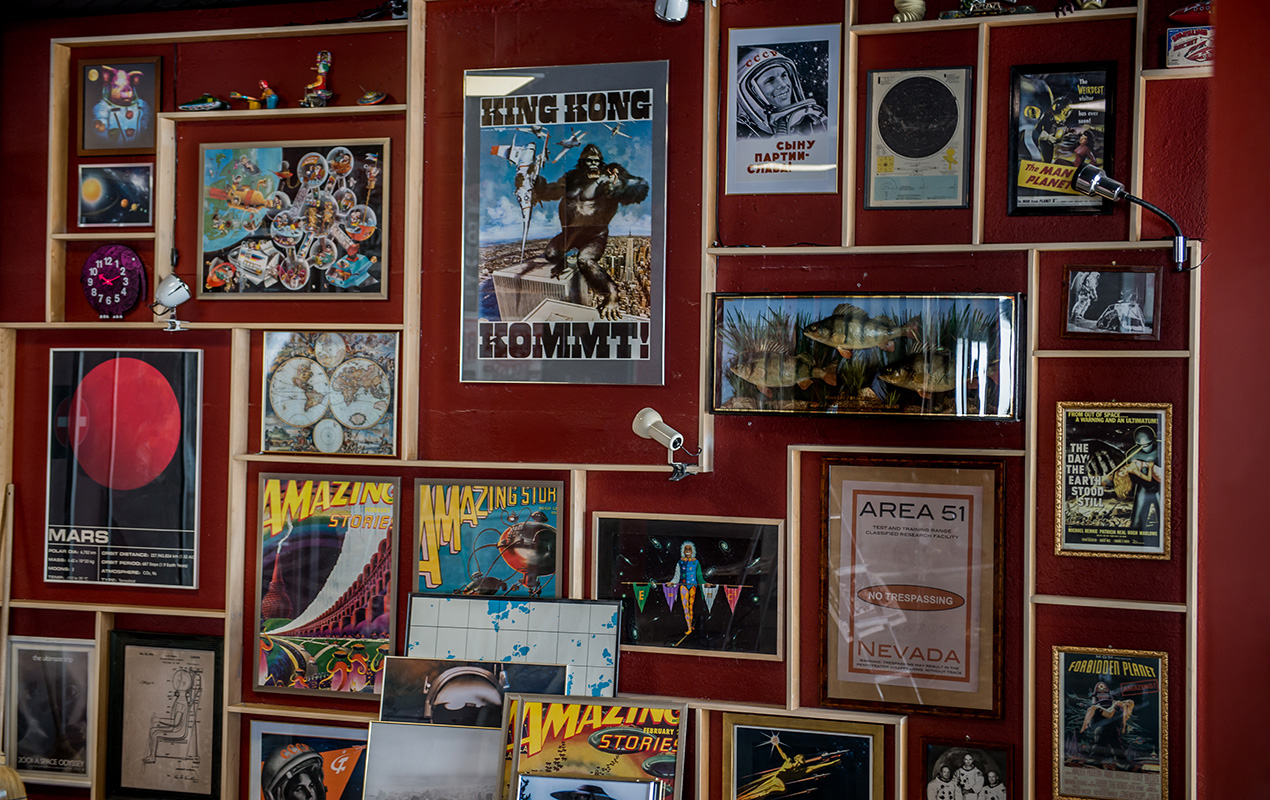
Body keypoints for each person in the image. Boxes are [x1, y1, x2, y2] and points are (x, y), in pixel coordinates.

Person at [532, 143, 648, 319]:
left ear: (601, 162)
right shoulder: (571, 178)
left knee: (585, 260)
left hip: (595, 235)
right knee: (551, 254)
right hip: (571, 234)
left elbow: (639, 186)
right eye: (589, 161)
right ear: (581, 163)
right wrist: (536, 182)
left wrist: (620, 187)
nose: (593, 164)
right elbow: (549, 192)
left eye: (596, 161)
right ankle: (563, 263)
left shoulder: (610, 174)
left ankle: (611, 293)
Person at [735, 47, 829, 138]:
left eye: (784, 75)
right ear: (752, 93)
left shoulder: (818, 122)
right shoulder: (742, 138)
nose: (783, 85)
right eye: (770, 80)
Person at [1096, 426, 1163, 534]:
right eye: (1140, 445)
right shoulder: (1132, 454)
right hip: (1144, 488)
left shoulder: (1163, 448)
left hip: (1162, 487)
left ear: (1153, 441)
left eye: (1146, 445)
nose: (1143, 448)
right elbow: (1136, 478)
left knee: (1166, 521)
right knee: (1136, 523)